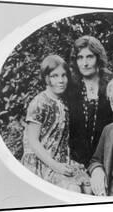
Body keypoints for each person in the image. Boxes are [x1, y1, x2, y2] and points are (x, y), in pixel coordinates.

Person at [20, 55, 90, 193]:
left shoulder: (64, 102)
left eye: (64, 75)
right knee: (73, 189)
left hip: (62, 159)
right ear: (46, 78)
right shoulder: (39, 103)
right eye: (55, 76)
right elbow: (32, 141)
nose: (61, 80)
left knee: (89, 186)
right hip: (42, 161)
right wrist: (55, 165)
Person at [68, 35, 113, 167]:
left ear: (98, 58)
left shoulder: (111, 85)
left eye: (89, 57)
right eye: (80, 57)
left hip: (107, 157)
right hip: (75, 159)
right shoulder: (70, 87)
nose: (84, 63)